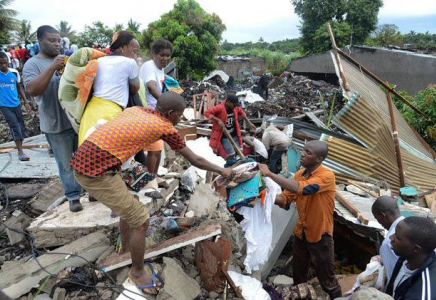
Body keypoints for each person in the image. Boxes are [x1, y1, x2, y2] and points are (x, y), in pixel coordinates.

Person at [70, 91, 234, 295]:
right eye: (179, 115)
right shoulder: (164, 127)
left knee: (128, 207)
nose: (180, 119)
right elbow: (196, 160)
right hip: (95, 172)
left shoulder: (138, 110)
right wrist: (223, 170)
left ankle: (127, 250)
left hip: (91, 160)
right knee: (140, 220)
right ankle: (137, 272)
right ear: (170, 113)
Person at [259, 140, 342, 299]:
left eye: (308, 153)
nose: (302, 154)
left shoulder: (326, 176)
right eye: (304, 150)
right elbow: (285, 200)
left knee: (328, 281)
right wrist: (263, 196)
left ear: (319, 159)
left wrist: (270, 174)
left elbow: (303, 189)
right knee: (299, 277)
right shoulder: (299, 175)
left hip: (320, 236)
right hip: (301, 234)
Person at [23, 25, 83, 212]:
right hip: (55, 124)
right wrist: (52, 67)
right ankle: (73, 197)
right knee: (65, 164)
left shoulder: (67, 61)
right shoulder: (32, 64)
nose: (57, 44)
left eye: (58, 40)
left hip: (76, 121)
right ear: (40, 41)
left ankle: (93, 191)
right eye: (51, 40)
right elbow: (32, 89)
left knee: (85, 158)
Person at [78, 30, 140, 145]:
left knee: (87, 154)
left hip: (91, 112)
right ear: (122, 47)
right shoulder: (130, 63)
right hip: (110, 113)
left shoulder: (99, 60)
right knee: (109, 156)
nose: (135, 55)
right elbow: (135, 89)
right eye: (134, 51)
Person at [139, 39, 173, 173]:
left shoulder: (161, 70)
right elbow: (152, 87)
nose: (165, 58)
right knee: (154, 150)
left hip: (157, 114)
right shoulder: (149, 66)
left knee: (158, 149)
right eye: (162, 55)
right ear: (154, 54)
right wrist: (167, 103)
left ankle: (154, 177)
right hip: (149, 113)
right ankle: (149, 183)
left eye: (168, 55)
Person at [385, 216, 436, 299]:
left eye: (397, 237)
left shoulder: (421, 293)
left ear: (415, 249)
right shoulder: (407, 257)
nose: (391, 237)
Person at [0, 52, 33, 161]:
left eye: (5, 63)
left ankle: (20, 146)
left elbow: (19, 88)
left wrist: (26, 102)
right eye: (1, 64)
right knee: (14, 125)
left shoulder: (14, 73)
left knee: (21, 126)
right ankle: (20, 151)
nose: (3, 66)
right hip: (4, 105)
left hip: (16, 104)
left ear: (8, 62)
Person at [204, 93, 256, 159]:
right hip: (225, 136)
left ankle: (237, 164)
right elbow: (206, 113)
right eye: (234, 105)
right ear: (229, 102)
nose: (235, 106)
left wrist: (249, 123)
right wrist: (218, 120)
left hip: (234, 134)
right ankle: (230, 165)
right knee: (232, 154)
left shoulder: (235, 108)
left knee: (240, 151)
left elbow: (242, 113)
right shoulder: (220, 108)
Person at [372, 196, 405, 282]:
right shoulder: (412, 224)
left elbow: (394, 280)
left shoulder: (388, 244)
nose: (378, 222)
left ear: (383, 215)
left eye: (377, 218)